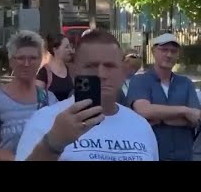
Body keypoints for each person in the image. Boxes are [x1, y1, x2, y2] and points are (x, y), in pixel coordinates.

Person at [16, 29, 159, 161]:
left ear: (122, 72)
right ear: (75, 72)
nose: (101, 74)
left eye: (109, 66)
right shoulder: (45, 120)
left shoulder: (141, 126)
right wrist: (52, 145)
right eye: (91, 66)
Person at [0, 31, 57, 161]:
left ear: (40, 61)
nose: (26, 63)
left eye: (32, 58)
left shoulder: (49, 99)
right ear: (11, 61)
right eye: (20, 58)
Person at [126, 33, 201, 161]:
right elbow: (144, 110)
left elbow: (195, 118)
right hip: (150, 154)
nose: (169, 55)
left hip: (183, 155)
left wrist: (159, 120)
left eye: (173, 51)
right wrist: (184, 110)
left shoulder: (186, 83)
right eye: (164, 50)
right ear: (153, 51)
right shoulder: (140, 81)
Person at [36, 34, 74, 101]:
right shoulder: (44, 72)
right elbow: (39, 100)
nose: (70, 50)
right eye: (66, 47)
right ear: (55, 50)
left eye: (70, 47)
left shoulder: (71, 70)